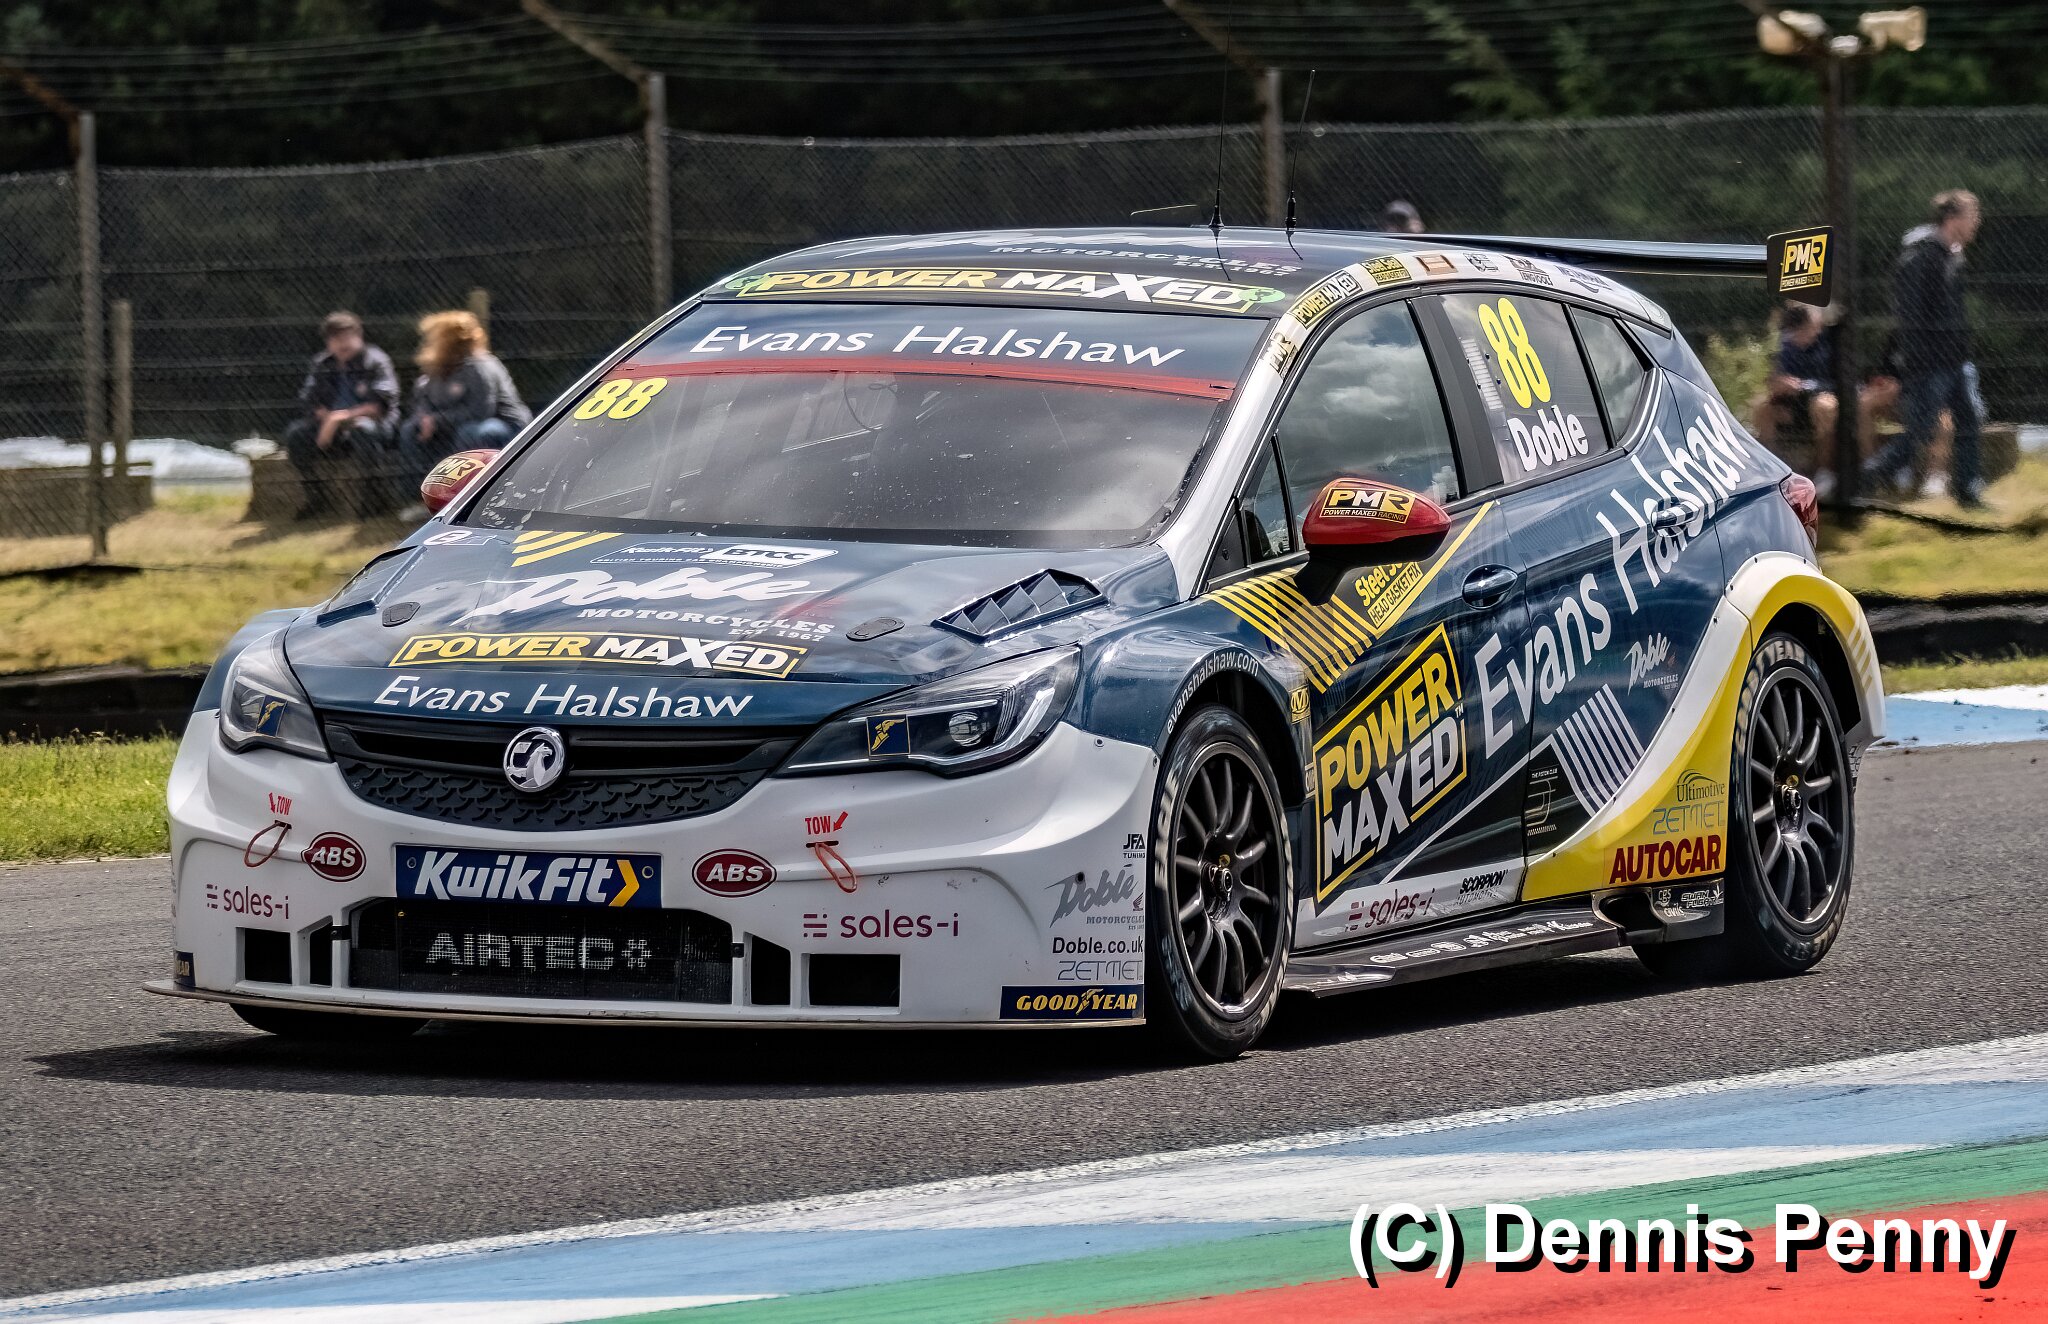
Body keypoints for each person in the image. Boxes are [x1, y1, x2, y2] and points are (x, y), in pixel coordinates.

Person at [1864, 189, 1985, 507]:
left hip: (1956, 360)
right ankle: (1869, 477)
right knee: (1920, 430)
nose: (1976, 223)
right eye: (1972, 216)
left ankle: (1968, 491)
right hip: (1930, 364)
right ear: (1952, 219)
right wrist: (1919, 359)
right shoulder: (1920, 258)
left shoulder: (1952, 257)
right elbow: (1909, 316)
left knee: (1969, 421)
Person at [397, 311, 531, 504]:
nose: (429, 342)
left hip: (506, 426)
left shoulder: (479, 366)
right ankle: (420, 499)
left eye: (434, 337)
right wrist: (423, 419)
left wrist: (437, 421)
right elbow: (422, 401)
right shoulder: (438, 367)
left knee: (470, 432)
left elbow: (481, 412)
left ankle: (466, 498)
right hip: (456, 426)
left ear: (449, 339)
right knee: (410, 429)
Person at [283, 312, 398, 519]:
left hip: (374, 425)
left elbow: (380, 404)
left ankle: (374, 500)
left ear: (359, 336)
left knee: (363, 429)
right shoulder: (322, 363)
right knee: (296, 434)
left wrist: (339, 417)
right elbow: (308, 400)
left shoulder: (375, 361)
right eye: (336, 339)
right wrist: (324, 415)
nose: (342, 344)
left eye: (347, 337)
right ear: (328, 342)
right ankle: (316, 498)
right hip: (333, 427)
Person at [1750, 303, 1842, 485]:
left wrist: (1803, 386)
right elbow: (1776, 377)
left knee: (1823, 407)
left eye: (1799, 331)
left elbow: (1840, 382)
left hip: (1825, 398)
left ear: (1812, 327)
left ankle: (1824, 472)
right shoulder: (1788, 345)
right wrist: (1777, 384)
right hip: (1793, 404)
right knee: (1762, 407)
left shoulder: (1831, 343)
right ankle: (1771, 469)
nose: (1792, 336)